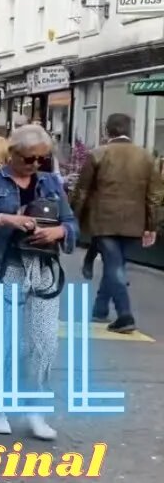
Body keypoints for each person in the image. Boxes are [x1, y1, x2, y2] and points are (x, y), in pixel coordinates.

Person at [0, 124, 76, 440]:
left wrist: (59, 232)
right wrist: (4, 219)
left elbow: (71, 221)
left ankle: (35, 409)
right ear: (12, 153)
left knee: (43, 341)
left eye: (42, 159)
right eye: (29, 158)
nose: (36, 164)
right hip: (0, 265)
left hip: (43, 268)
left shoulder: (51, 182)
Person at [70, 113, 164, 334]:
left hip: (104, 219)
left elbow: (82, 191)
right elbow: (155, 195)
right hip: (134, 221)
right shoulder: (147, 157)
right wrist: (152, 225)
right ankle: (100, 308)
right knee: (116, 264)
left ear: (107, 130)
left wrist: (74, 218)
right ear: (129, 130)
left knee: (113, 265)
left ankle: (125, 314)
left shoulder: (98, 154)